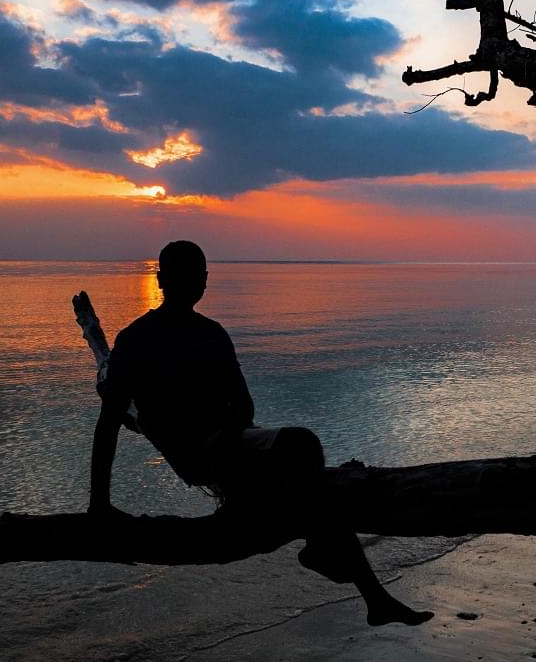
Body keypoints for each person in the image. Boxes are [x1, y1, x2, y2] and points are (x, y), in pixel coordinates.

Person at [88, 240, 433, 626]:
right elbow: (108, 425)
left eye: (198, 275)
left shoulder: (212, 334)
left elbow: (244, 405)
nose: (193, 283)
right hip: (197, 455)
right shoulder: (137, 339)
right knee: (305, 449)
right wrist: (99, 505)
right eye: (183, 275)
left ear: (204, 281)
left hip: (234, 442)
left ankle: (367, 593)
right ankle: (347, 573)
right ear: (162, 279)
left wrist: (230, 432)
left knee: (314, 487)